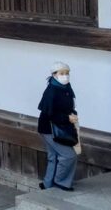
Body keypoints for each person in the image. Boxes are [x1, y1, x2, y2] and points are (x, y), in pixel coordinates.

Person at [37, 61, 79, 191]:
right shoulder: (51, 91)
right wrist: (68, 118)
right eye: (62, 73)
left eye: (67, 73)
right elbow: (49, 114)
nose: (65, 76)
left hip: (59, 128)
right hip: (50, 129)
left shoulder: (66, 88)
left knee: (53, 156)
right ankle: (60, 182)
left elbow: (68, 106)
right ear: (54, 75)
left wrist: (72, 114)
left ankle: (48, 184)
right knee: (69, 155)